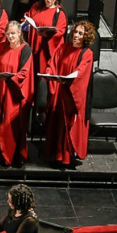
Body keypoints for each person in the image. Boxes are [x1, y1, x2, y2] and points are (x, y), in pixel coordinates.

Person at [45, 20, 95, 168]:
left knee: (68, 127)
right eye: (75, 32)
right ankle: (56, 156)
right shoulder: (64, 47)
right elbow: (53, 64)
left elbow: (81, 73)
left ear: (86, 36)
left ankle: (66, 158)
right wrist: (50, 74)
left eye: (80, 33)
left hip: (72, 96)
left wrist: (68, 81)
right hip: (59, 93)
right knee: (57, 125)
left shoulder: (87, 53)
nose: (76, 36)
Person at [0, 22, 34, 168]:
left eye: (13, 33)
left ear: (20, 33)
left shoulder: (25, 50)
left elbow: (24, 72)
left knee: (8, 125)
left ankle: (10, 157)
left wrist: (9, 79)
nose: (10, 36)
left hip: (14, 93)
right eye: (8, 34)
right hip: (0, 90)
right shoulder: (1, 47)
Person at [23, 0, 67, 74]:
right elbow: (26, 18)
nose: (48, 0)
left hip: (46, 47)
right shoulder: (36, 7)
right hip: (33, 43)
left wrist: (46, 33)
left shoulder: (59, 13)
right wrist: (26, 23)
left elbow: (60, 31)